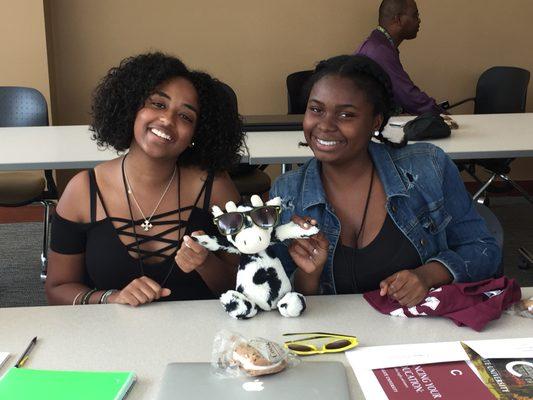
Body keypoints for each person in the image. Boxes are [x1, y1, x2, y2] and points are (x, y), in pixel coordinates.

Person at [270, 54, 501, 307]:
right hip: (331, 341)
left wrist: (428, 275)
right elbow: (275, 297)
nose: (325, 125)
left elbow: (483, 250)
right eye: (316, 109)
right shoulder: (288, 193)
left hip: (420, 334)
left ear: (375, 122)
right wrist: (308, 276)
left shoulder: (427, 168)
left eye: (346, 115)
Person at [45, 52, 243, 306]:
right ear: (132, 108)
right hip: (109, 340)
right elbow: (56, 290)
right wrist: (111, 297)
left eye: (185, 116)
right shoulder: (84, 191)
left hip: (200, 339)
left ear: (196, 133)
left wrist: (206, 264)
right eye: (158, 104)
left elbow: (243, 287)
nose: (167, 120)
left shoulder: (215, 189)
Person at [356, 0, 445, 115]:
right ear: (398, 20)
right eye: (415, 15)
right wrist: (445, 116)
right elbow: (408, 97)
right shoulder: (380, 51)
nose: (419, 20)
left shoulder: (379, 43)